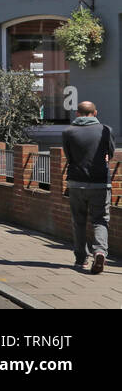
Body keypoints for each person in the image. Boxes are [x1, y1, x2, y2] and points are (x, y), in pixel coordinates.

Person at [61, 100, 115, 274]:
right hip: (100, 182)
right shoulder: (105, 130)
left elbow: (69, 158)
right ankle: (100, 251)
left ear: (77, 113)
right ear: (95, 112)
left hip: (76, 182)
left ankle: (81, 258)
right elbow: (111, 153)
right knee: (100, 220)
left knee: (79, 221)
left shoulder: (68, 132)